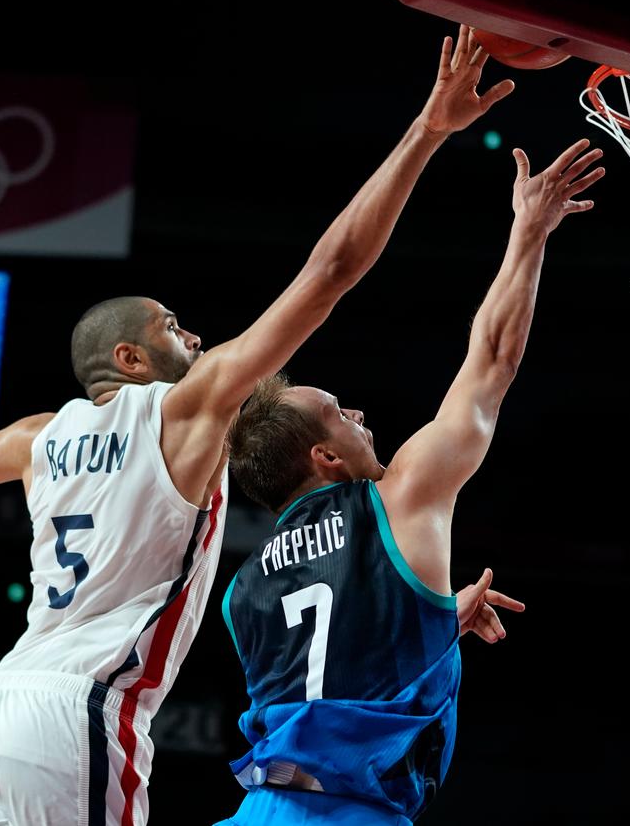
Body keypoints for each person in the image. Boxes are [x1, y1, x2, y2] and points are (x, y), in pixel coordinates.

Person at [0, 26, 516, 826]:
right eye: (175, 326)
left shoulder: (37, 438)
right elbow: (330, 272)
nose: (196, 339)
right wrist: (427, 132)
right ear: (131, 357)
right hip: (77, 714)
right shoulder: (188, 408)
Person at [217, 136, 603, 825]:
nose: (359, 413)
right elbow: (491, 363)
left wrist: (427, 623)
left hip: (257, 807)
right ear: (325, 458)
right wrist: (529, 230)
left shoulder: (241, 593)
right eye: (339, 413)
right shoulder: (399, 496)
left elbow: (330, 670)